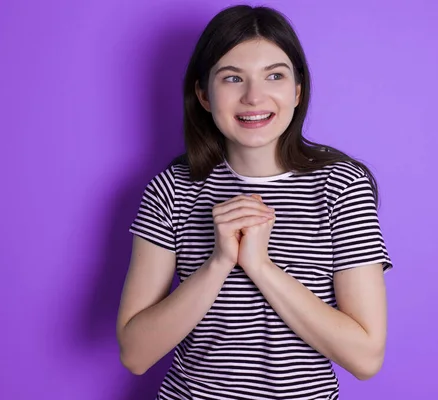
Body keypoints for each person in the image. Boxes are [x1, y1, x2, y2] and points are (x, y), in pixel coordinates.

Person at [116, 4, 393, 399]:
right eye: (232, 78)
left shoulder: (341, 186)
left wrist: (260, 266)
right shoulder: (173, 190)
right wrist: (219, 262)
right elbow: (136, 354)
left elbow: (365, 358)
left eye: (274, 76)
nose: (253, 96)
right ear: (204, 94)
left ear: (297, 90)